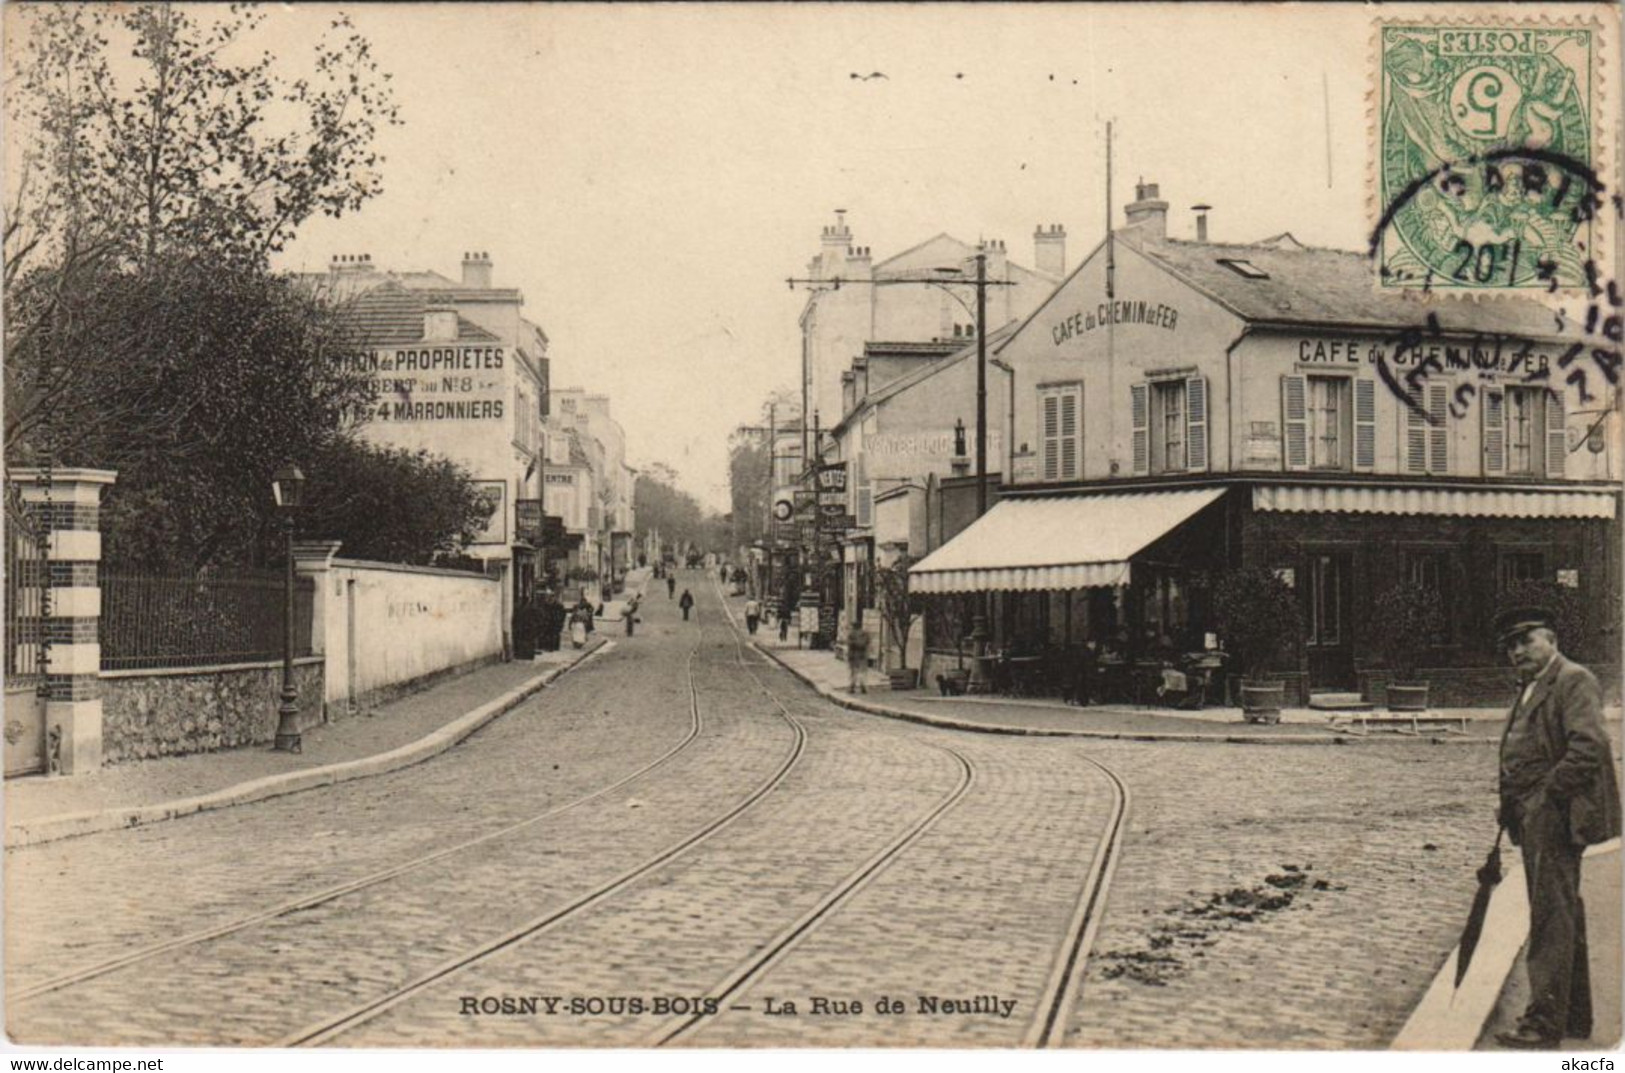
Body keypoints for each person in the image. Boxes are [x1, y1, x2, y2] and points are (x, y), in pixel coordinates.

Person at [1492, 607, 1621, 1049]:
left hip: (1557, 816)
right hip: (1533, 814)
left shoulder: (1573, 679)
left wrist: (1545, 798)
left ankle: (1542, 1024)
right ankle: (1572, 1016)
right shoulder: (1533, 685)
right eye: (1511, 645)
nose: (1517, 651)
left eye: (1527, 640)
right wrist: (1512, 801)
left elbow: (1588, 746)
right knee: (1561, 912)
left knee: (1551, 917)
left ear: (1552, 638)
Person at [846, 624, 869, 694]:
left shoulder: (851, 634)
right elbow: (867, 642)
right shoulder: (864, 634)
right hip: (862, 655)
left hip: (853, 655)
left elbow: (849, 643)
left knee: (854, 672)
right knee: (862, 671)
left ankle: (852, 686)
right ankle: (863, 686)